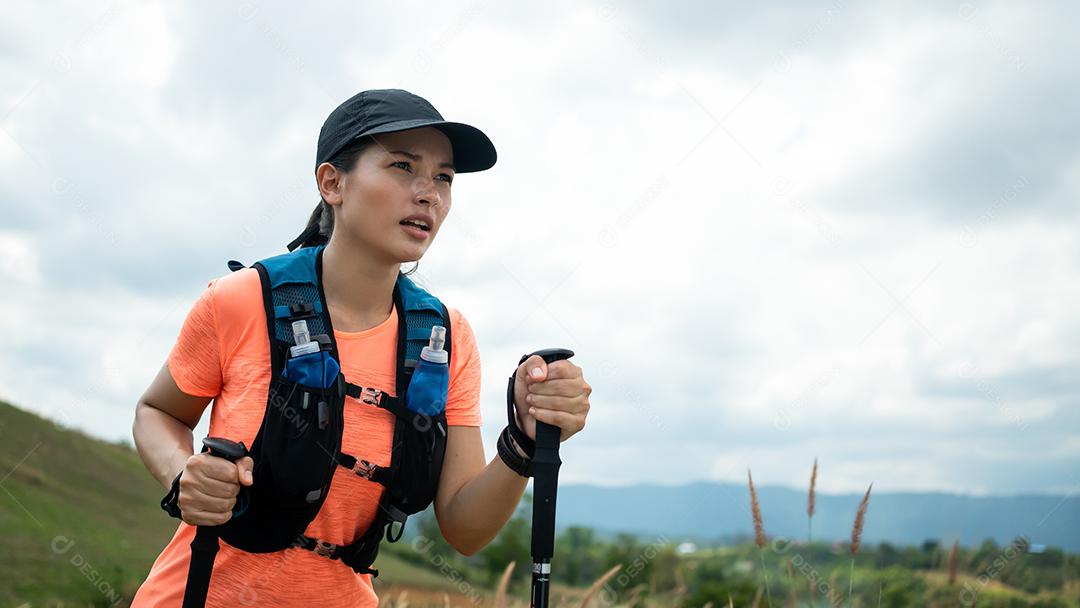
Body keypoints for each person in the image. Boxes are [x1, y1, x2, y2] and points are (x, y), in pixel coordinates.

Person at [130, 88, 592, 606]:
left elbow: (465, 530)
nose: (429, 194)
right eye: (402, 166)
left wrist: (525, 441)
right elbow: (157, 411)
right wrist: (182, 475)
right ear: (333, 183)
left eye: (443, 177)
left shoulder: (445, 338)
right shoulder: (243, 301)